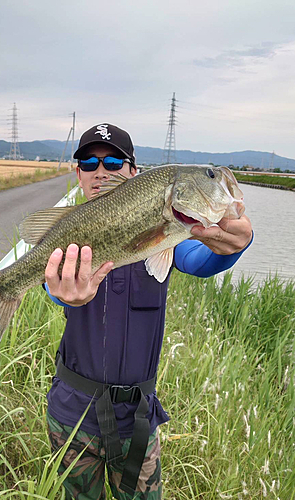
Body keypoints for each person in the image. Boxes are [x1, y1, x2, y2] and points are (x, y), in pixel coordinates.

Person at [44, 123, 253, 499]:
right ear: (77, 173)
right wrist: (63, 295)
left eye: (113, 161)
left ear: (133, 171)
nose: (100, 170)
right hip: (72, 414)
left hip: (136, 422)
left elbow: (202, 259)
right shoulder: (71, 230)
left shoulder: (172, 234)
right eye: (88, 162)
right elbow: (53, 285)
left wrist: (236, 244)